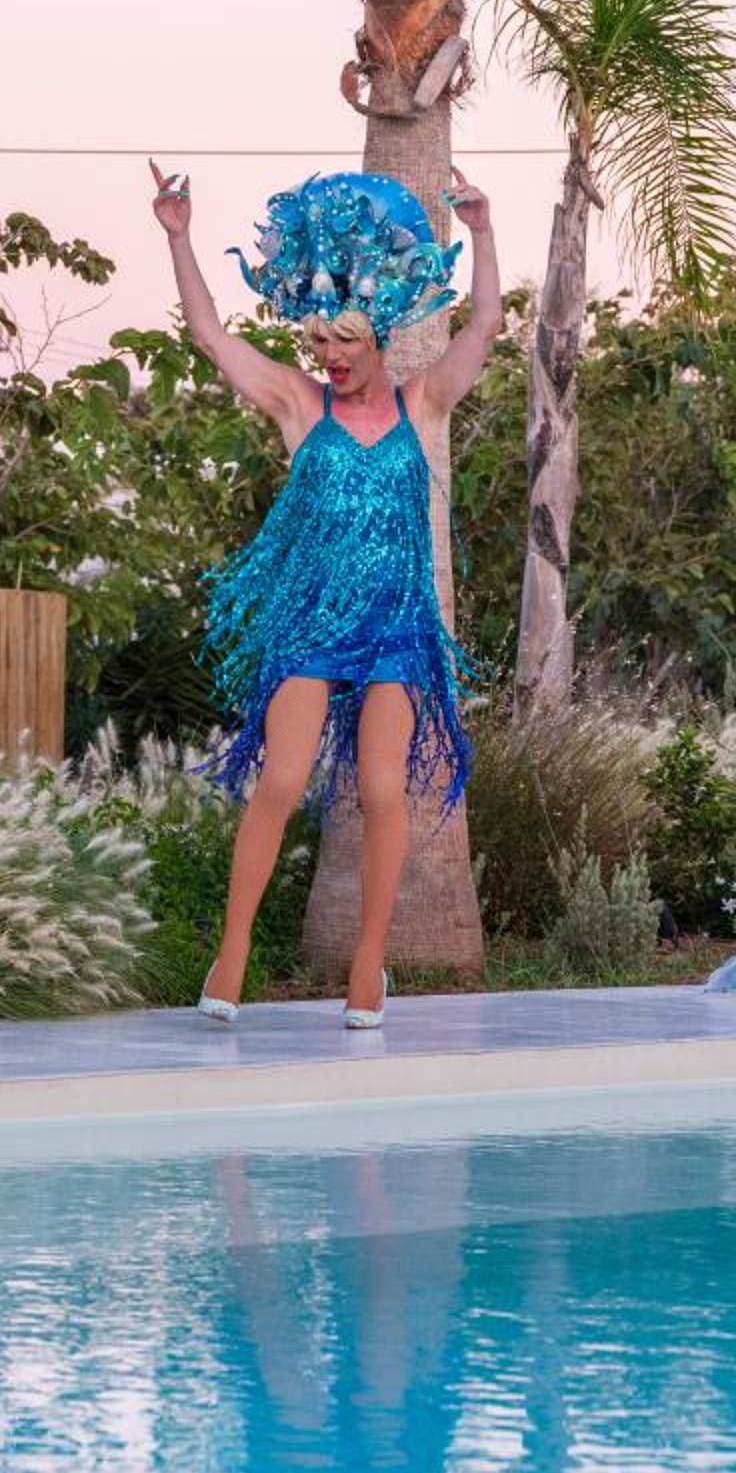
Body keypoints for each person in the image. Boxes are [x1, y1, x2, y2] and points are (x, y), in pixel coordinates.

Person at [149, 158, 502, 1029]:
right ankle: (232, 955)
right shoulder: (300, 407)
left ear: (379, 335)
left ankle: (369, 965)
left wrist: (483, 231)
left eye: (344, 343)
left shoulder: (424, 404)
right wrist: (180, 238)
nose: (331, 358)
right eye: (319, 344)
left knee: (383, 791)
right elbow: (210, 336)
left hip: (396, 626)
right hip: (312, 622)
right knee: (280, 780)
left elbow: (487, 324)